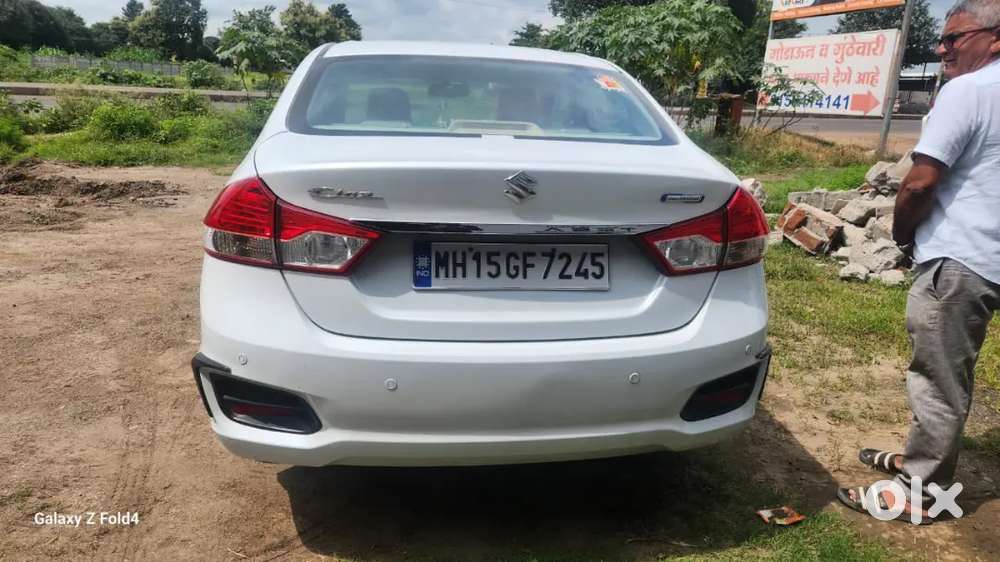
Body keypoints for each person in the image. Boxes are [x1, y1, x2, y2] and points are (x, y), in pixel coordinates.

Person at [837, 0, 1000, 524]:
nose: (942, 48)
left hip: (960, 256)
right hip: (991, 253)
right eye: (943, 39)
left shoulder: (969, 91)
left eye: (954, 38)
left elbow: (920, 182)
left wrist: (903, 237)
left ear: (994, 37)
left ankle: (922, 491)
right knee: (953, 371)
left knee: (938, 376)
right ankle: (919, 459)